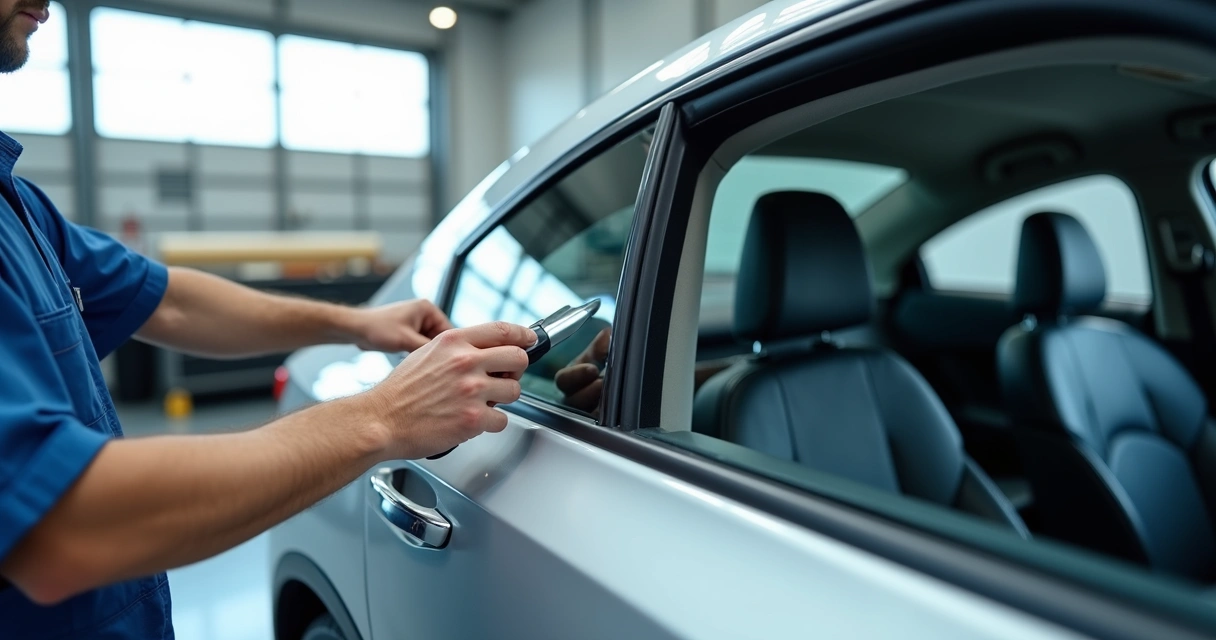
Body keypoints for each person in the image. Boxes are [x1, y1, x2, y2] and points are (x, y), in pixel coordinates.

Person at [0, 2, 535, 638]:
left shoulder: (18, 205)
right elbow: (64, 526)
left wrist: (359, 324)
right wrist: (384, 415)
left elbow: (169, 300)